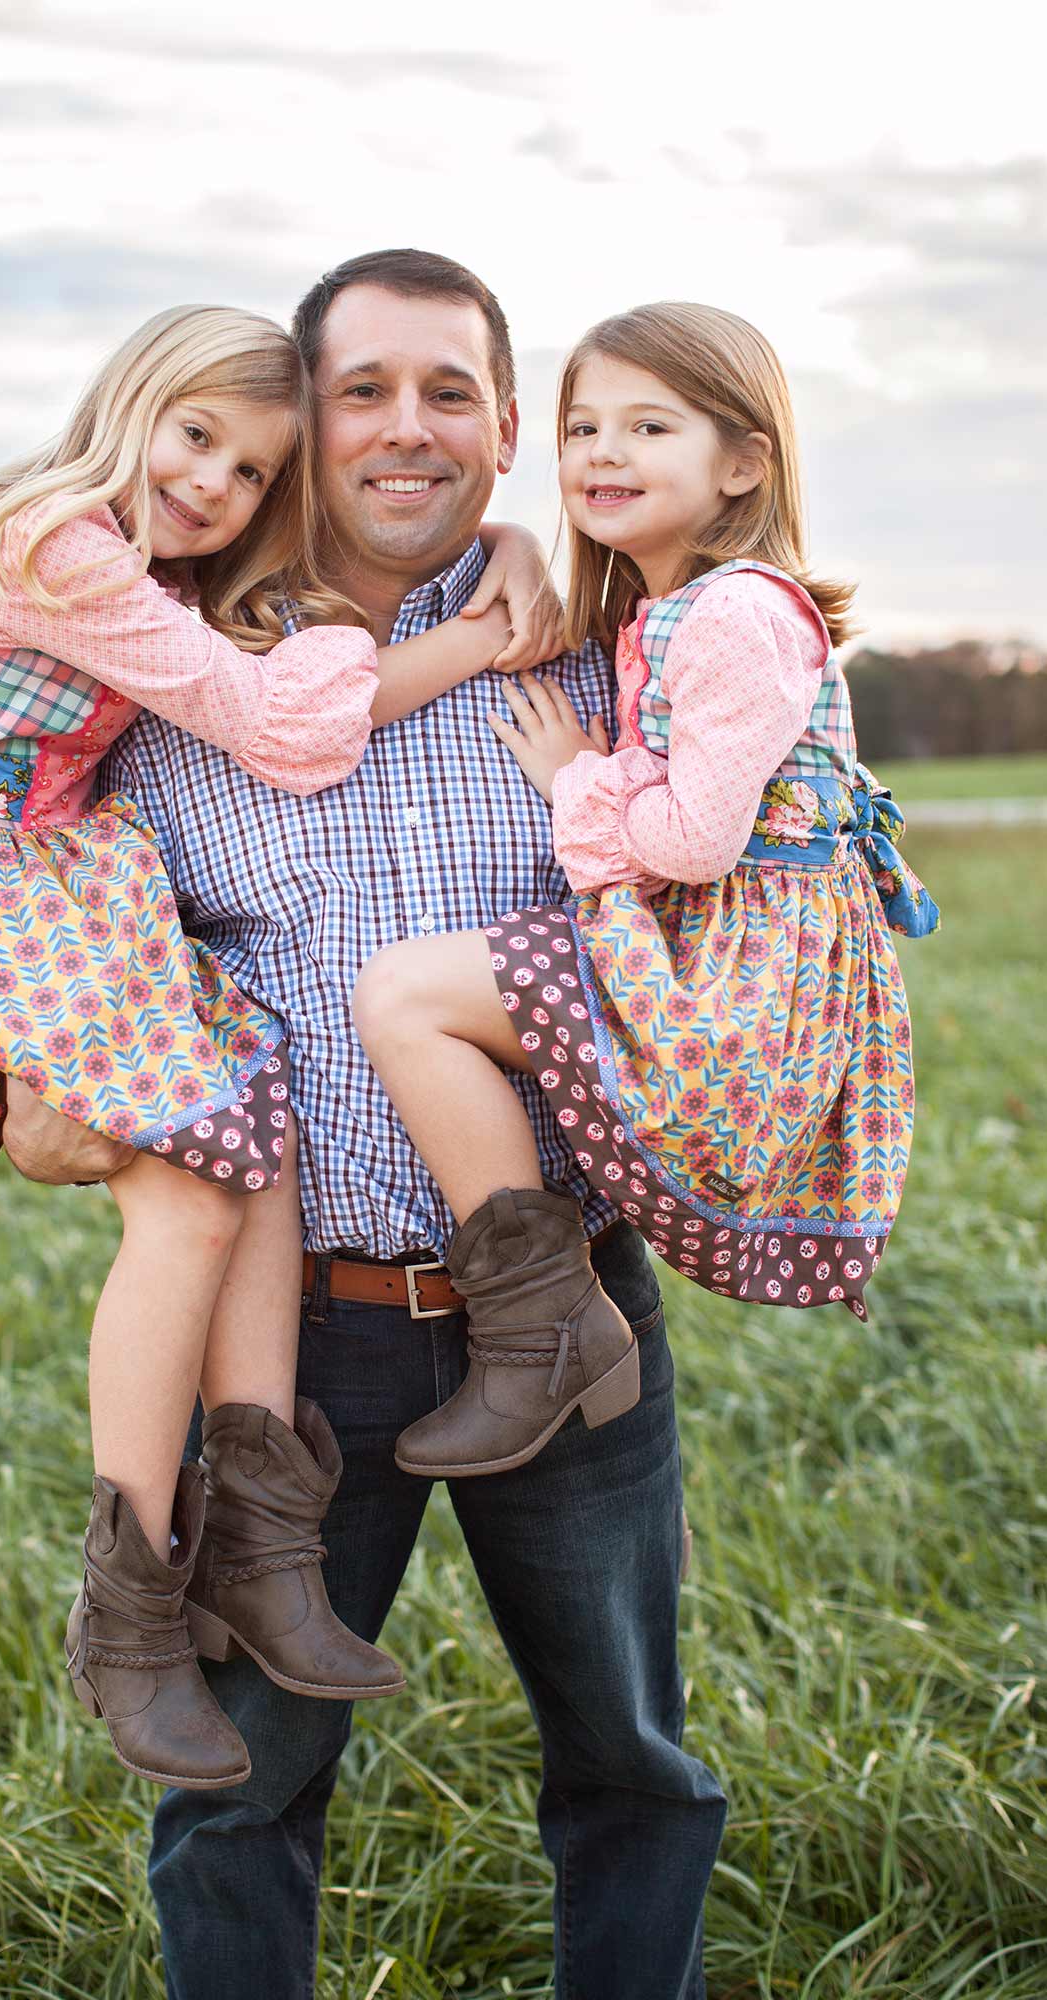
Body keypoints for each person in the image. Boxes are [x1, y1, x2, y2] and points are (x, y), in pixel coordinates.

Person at [68, 252, 725, 2000]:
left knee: (632, 1762)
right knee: (240, 1794)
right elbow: (60, 1053)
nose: (406, 428)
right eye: (362, 389)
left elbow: (739, 935)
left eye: (449, 392)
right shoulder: (177, 686)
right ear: (304, 423)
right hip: (299, 1348)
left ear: (508, 428)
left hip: (568, 1306)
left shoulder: (608, 672)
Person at [0, 304, 558, 1793]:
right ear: (128, 403)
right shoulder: (56, 543)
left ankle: (264, 1542)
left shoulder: (163, 569)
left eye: (254, 469)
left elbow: (295, 635)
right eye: (196, 437)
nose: (214, 483)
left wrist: (508, 544)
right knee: (193, 1193)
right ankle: (130, 1604)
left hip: (46, 877)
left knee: (249, 1107)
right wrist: (473, 635)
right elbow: (276, 728)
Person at [354, 301, 939, 1482]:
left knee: (405, 995)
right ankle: (546, 1320)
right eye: (581, 428)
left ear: (741, 463)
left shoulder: (733, 613)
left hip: (732, 976)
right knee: (411, 994)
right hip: (716, 950)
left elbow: (694, 840)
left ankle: (547, 1326)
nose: (602, 453)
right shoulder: (666, 611)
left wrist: (579, 776)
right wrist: (512, 547)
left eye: (648, 426)